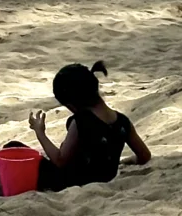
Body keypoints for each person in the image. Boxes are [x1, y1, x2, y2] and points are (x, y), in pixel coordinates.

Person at [27, 60, 151, 192]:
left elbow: (60, 160)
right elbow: (144, 156)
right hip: (106, 178)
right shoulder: (122, 122)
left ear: (71, 104)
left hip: (71, 181)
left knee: (13, 146)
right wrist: (126, 161)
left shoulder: (81, 122)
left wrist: (40, 132)